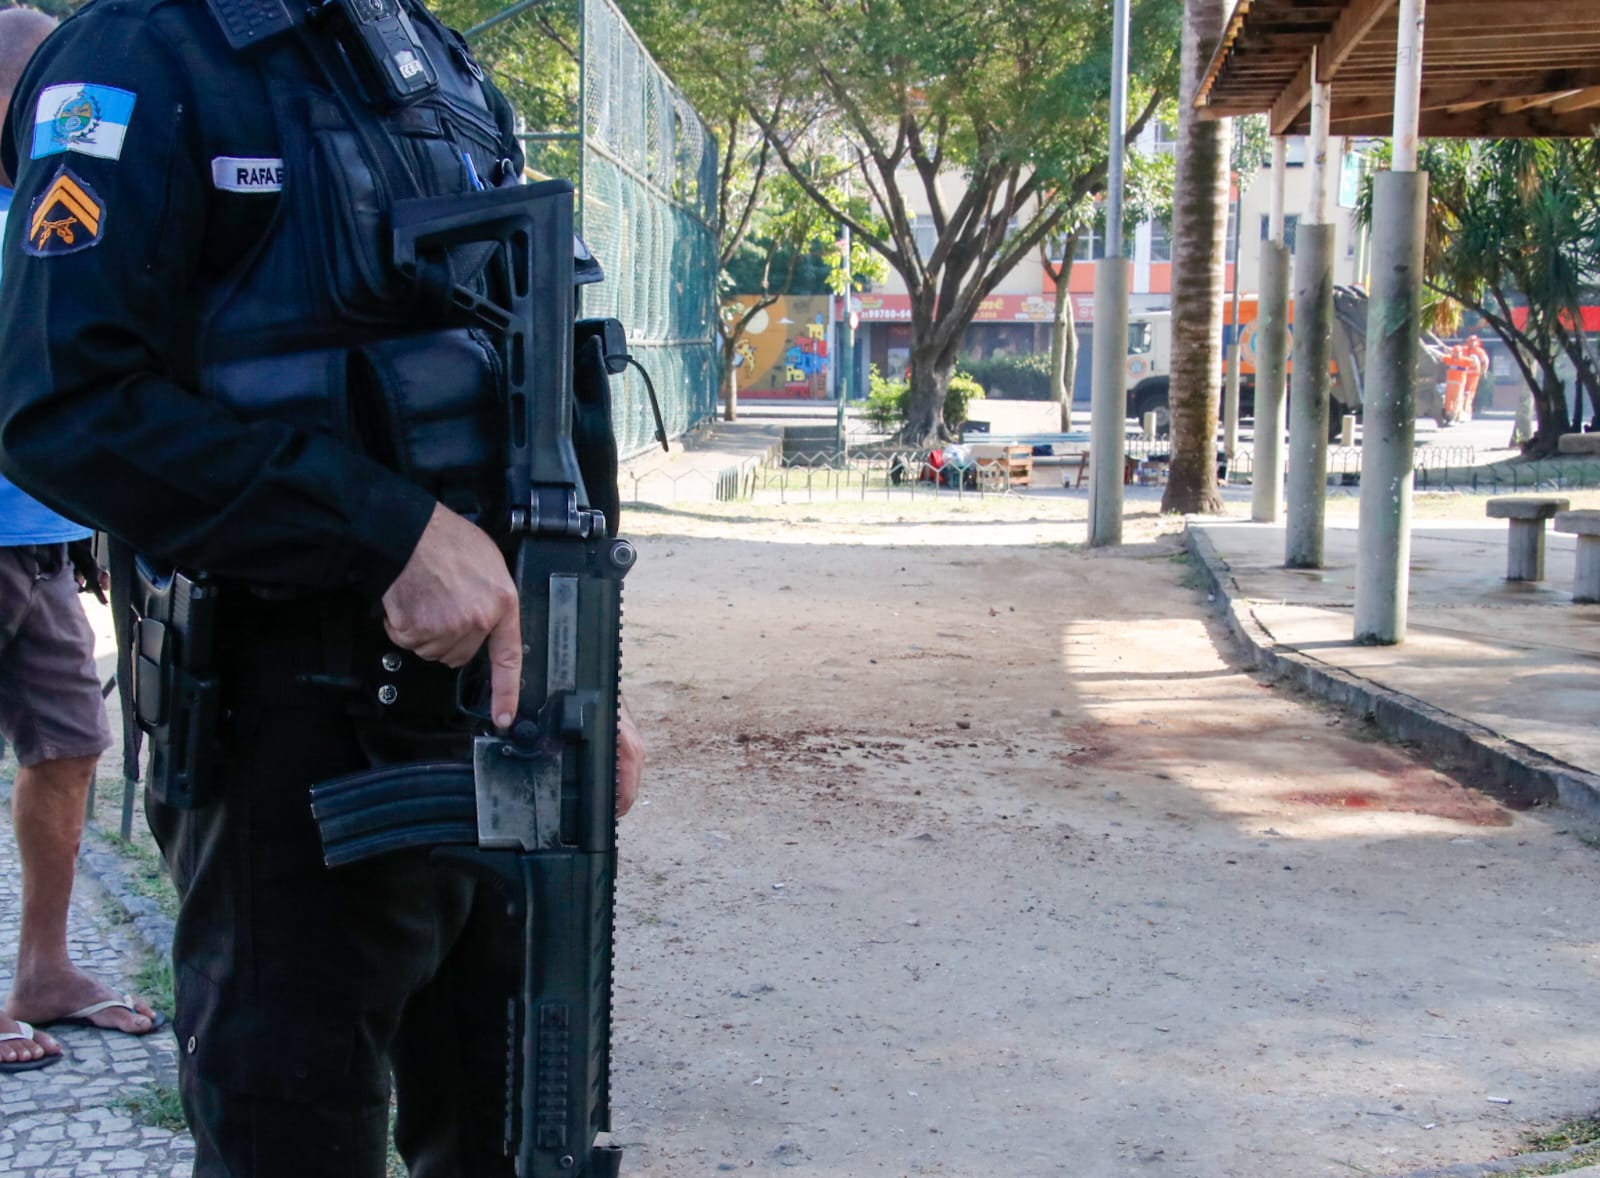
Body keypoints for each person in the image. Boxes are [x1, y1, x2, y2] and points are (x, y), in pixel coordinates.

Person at [0, 0, 643, 1170]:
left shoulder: (431, 63)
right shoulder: (137, 55)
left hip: (498, 734)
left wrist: (573, 674)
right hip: (282, 737)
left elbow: (524, 393)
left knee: (524, 1141)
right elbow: (64, 408)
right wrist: (385, 533)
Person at [0, 5, 161, 1075]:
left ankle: (45, 967)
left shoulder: (60, 200)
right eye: (35, 73)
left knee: (70, 746)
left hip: (47, 543)